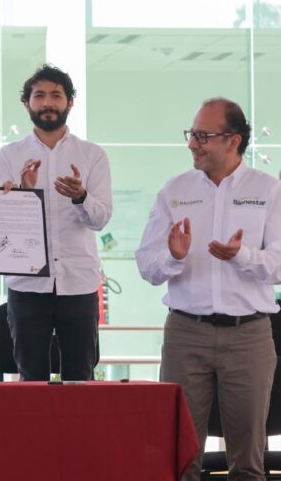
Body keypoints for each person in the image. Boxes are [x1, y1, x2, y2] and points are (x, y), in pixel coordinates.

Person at [136, 98, 281, 481]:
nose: (193, 143)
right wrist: (173, 257)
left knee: (249, 462)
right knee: (180, 457)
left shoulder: (269, 190)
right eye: (192, 134)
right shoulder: (174, 190)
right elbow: (147, 267)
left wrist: (242, 255)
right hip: (186, 333)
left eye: (203, 135)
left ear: (233, 140)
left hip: (248, 334)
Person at [0, 64, 112, 381]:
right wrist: (24, 194)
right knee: (30, 378)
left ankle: (78, 432)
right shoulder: (7, 156)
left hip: (79, 282)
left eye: (56, 96)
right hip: (26, 282)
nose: (48, 103)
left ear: (69, 102)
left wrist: (81, 195)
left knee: (80, 375)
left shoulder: (92, 155)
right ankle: (32, 433)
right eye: (39, 95)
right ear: (27, 103)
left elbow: (100, 218)